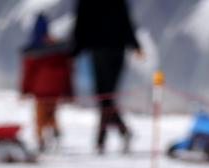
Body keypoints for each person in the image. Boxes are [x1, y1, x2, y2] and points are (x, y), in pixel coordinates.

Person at [72, 0, 141, 154]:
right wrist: (135, 44)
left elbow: (81, 22)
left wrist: (74, 50)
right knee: (107, 96)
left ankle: (102, 139)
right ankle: (119, 133)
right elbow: (125, 20)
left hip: (100, 48)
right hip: (116, 48)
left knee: (105, 96)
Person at [19, 13, 74, 154]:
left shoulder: (34, 49)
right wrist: (69, 91)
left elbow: (28, 73)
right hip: (56, 88)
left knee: (40, 116)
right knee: (52, 113)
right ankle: (54, 129)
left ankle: (41, 141)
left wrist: (24, 91)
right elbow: (68, 70)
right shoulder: (59, 48)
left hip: (40, 89)